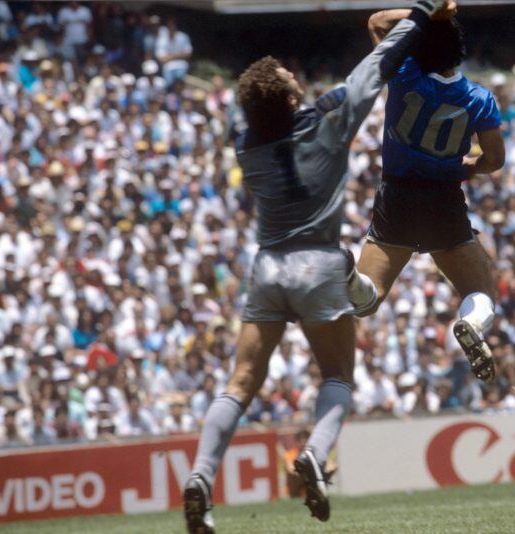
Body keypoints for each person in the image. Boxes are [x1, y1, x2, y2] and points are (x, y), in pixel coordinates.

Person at [182, 2, 451, 531]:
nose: (295, 75)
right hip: (320, 264)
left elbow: (273, 113)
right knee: (338, 376)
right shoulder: (329, 119)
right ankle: (315, 453)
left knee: (239, 382)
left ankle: (200, 477)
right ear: (288, 96)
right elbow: (378, 64)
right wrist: (423, 10)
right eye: (288, 76)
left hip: (267, 269)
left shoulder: (246, 146)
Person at [356, 5, 505, 383]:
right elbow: (495, 159)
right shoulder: (479, 99)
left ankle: (346, 275)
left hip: (397, 197)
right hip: (444, 200)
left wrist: (428, 9)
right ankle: (471, 323)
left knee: (367, 299)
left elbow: (376, 22)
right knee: (479, 288)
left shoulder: (403, 74)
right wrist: (468, 166)